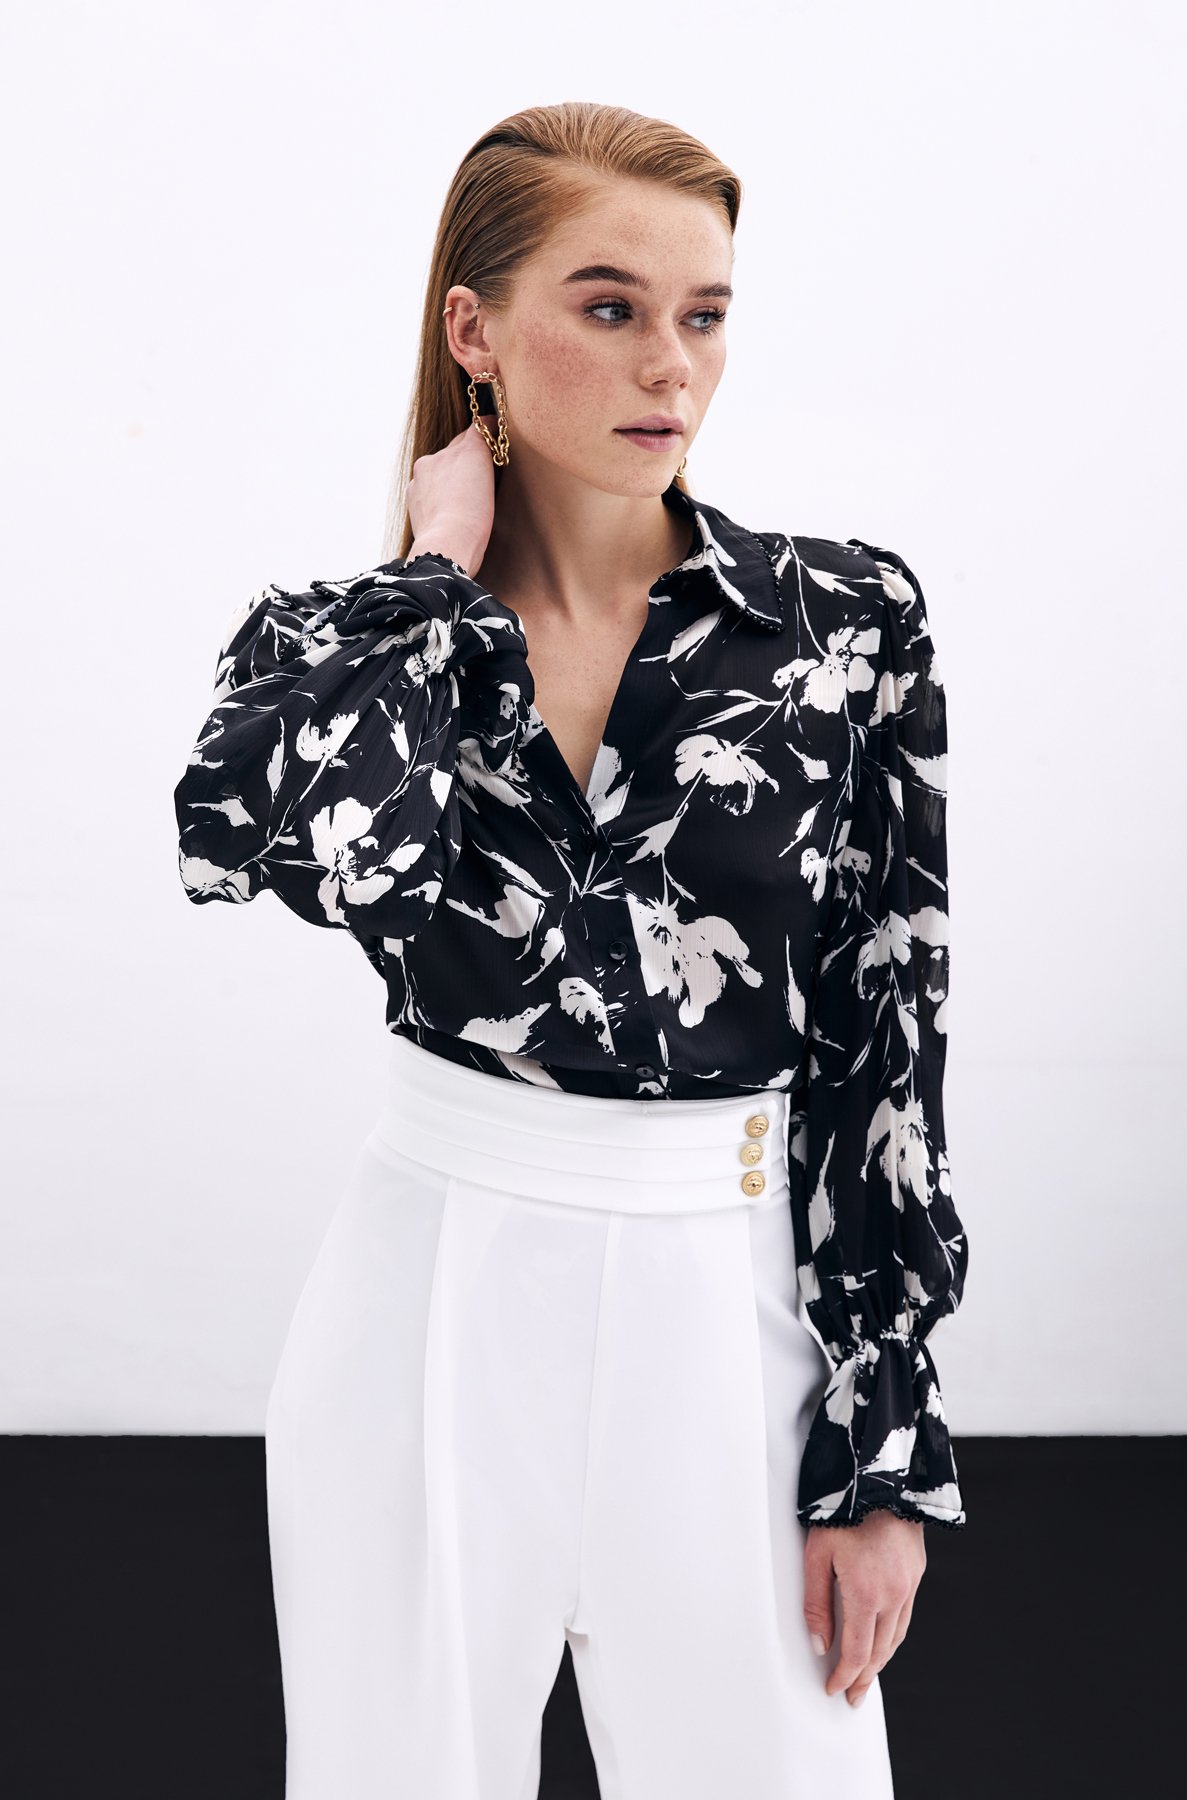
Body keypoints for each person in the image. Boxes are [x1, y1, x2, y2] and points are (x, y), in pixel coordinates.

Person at [174, 100, 967, 1800]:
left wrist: (883, 1448)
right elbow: (292, 855)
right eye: (610, 307)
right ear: (475, 331)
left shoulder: (842, 629)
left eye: (705, 313)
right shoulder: (347, 644)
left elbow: (886, 1039)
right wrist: (433, 578)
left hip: (734, 1305)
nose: (670, 364)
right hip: (426, 1304)